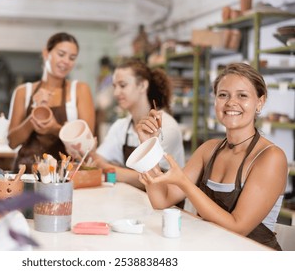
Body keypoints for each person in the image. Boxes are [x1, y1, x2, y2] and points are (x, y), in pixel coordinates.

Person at [138, 63, 287, 250]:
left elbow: (237, 227)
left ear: (260, 102)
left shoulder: (271, 157)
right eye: (223, 95)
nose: (231, 102)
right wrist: (147, 144)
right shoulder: (209, 150)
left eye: (242, 95)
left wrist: (184, 183)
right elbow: (161, 201)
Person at [7, 32, 95, 173]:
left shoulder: (80, 90)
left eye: (72, 58)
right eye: (61, 54)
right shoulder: (23, 91)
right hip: (27, 172)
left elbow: (86, 146)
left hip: (63, 174)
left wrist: (54, 128)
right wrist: (35, 117)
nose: (66, 61)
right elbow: (12, 142)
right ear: (46, 53)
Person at [93, 58, 185, 191]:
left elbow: (156, 181)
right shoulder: (121, 126)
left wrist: (110, 168)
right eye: (115, 86)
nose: (116, 93)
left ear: (142, 85)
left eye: (122, 85)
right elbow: (98, 162)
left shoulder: (165, 128)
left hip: (167, 209)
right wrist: (126, 174)